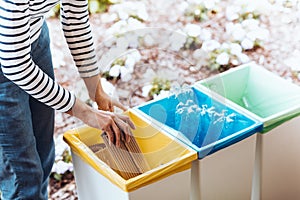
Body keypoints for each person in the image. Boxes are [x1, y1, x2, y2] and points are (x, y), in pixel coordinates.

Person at [0, 0, 135, 199]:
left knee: (42, 152)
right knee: (24, 176)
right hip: (8, 58)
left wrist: (97, 91)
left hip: (33, 33)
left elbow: (75, 20)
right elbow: (15, 65)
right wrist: (86, 113)